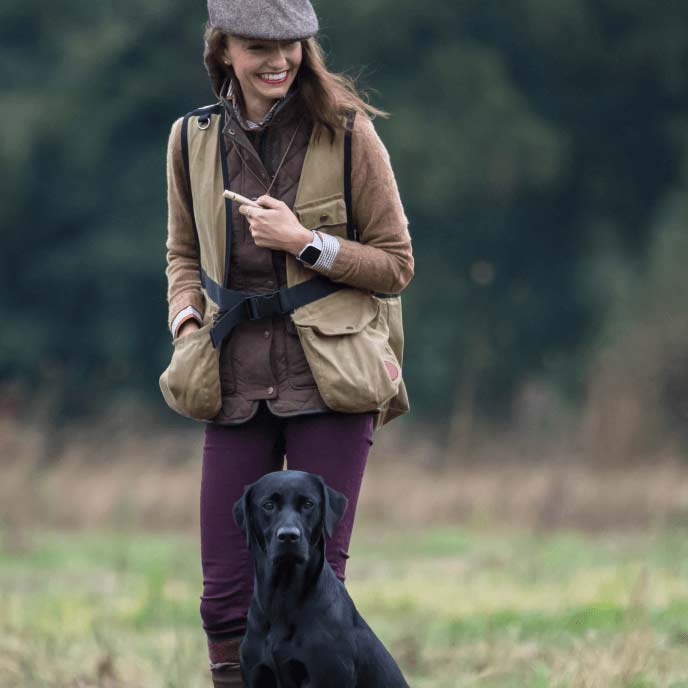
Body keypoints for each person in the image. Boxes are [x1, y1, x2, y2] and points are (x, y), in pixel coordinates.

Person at [162, 0, 414, 685]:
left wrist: (306, 242)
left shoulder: (348, 132)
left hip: (331, 378)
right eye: (258, 47)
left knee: (315, 585)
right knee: (223, 600)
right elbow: (182, 253)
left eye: (293, 45)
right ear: (223, 51)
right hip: (232, 380)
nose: (279, 61)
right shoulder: (191, 139)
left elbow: (395, 263)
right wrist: (185, 317)